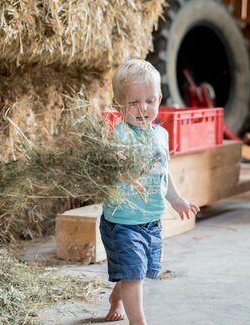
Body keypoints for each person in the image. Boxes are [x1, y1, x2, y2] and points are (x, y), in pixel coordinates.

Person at [100, 59, 200, 324]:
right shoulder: (120, 136)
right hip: (123, 221)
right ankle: (138, 322)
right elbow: (109, 169)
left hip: (151, 220)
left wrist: (176, 198)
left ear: (159, 98)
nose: (142, 108)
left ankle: (117, 297)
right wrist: (121, 166)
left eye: (149, 100)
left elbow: (163, 171)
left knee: (138, 271)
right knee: (134, 275)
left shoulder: (160, 135)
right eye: (133, 103)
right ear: (119, 105)